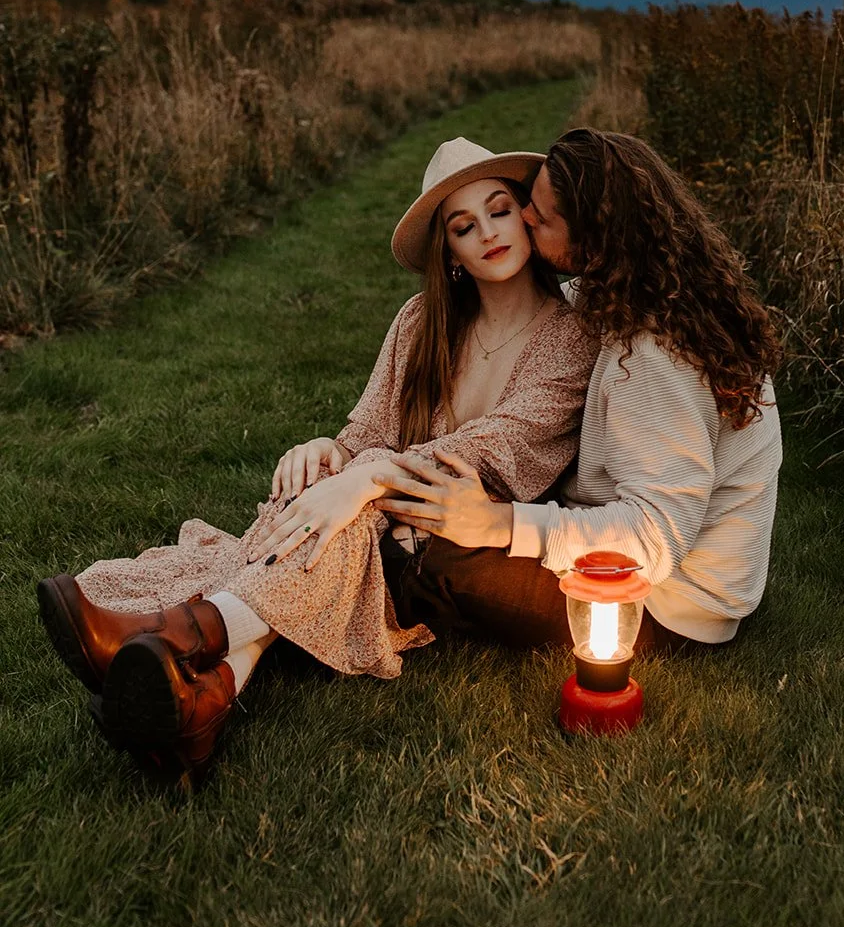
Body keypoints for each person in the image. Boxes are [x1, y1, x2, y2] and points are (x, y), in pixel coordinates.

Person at [37, 138, 599, 783]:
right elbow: (365, 430)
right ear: (448, 252)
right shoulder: (421, 321)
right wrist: (329, 453)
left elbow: (497, 451)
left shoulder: (569, 336)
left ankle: (172, 634)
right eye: (464, 226)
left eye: (499, 211)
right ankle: (204, 698)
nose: (488, 235)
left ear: (527, 217)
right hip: (390, 516)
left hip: (454, 543)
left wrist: (363, 478)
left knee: (348, 512)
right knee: (320, 488)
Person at [375, 128, 784, 652]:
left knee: (434, 551)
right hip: (639, 558)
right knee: (441, 519)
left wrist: (499, 523)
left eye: (540, 218)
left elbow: (655, 538)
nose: (523, 219)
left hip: (665, 602)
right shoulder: (636, 289)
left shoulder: (656, 353)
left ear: (592, 238)